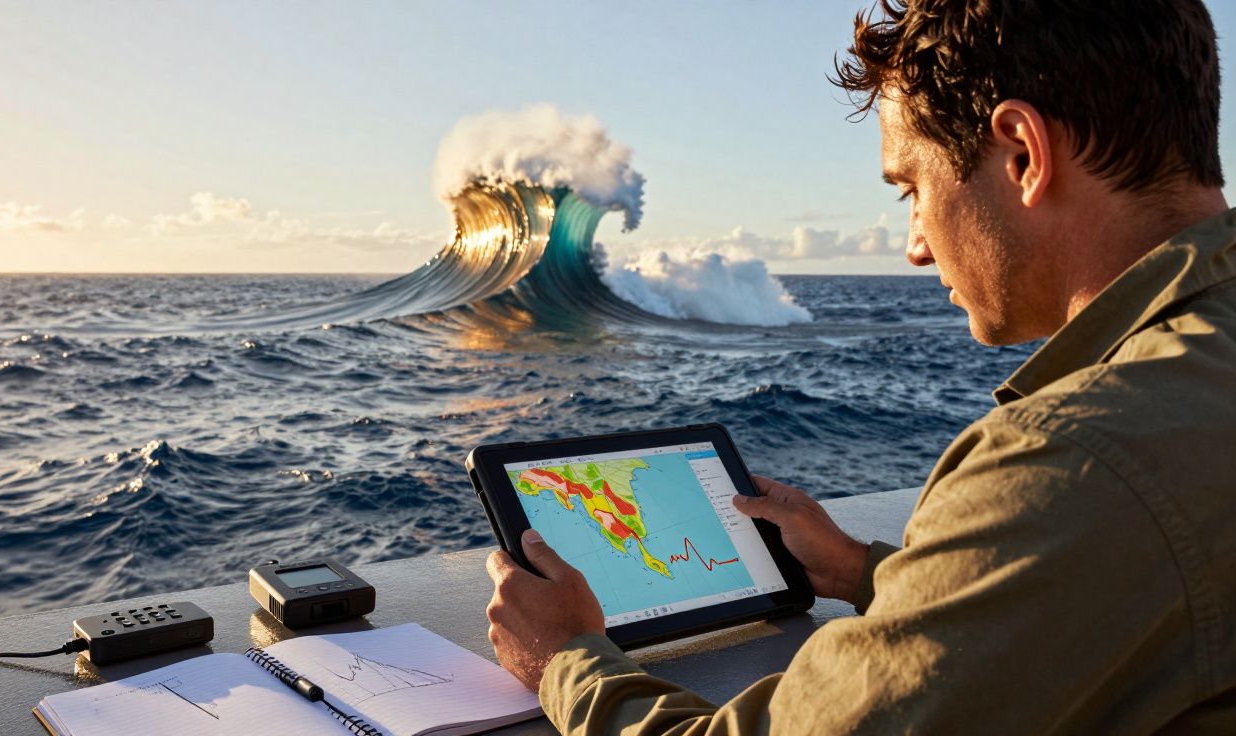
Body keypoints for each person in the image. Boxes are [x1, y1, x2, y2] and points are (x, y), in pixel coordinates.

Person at [486, 0, 1235, 732]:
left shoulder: (1076, 461)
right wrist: (862, 571)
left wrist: (567, 662)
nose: (915, 246)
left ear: (1023, 154)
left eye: (912, 188)